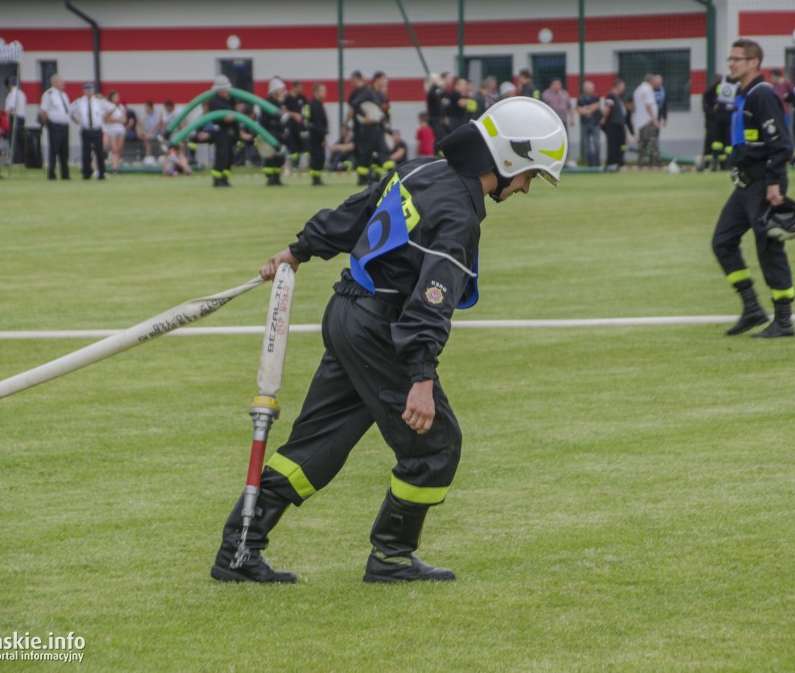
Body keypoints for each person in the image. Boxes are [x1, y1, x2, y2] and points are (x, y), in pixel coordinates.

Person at [210, 96, 569, 585]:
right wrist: (420, 378)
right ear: (509, 159)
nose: (527, 188)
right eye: (530, 175)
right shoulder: (459, 217)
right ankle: (392, 558)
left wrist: (300, 249)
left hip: (345, 314)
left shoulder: (420, 170)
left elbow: (356, 212)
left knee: (317, 447)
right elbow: (431, 302)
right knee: (435, 446)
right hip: (380, 329)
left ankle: (238, 549)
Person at [712, 38, 795, 339]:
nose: (731, 63)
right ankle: (751, 308)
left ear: (754, 63)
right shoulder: (741, 94)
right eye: (730, 58)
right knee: (722, 241)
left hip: (764, 184)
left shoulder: (762, 95)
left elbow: (783, 145)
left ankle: (784, 320)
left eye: (738, 58)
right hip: (745, 185)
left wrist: (774, 182)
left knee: (769, 249)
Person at [351, 71, 391, 185]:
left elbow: (384, 112)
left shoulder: (381, 95)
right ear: (376, 80)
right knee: (366, 153)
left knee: (383, 151)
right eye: (383, 79)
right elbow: (355, 105)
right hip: (368, 129)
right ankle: (362, 178)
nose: (385, 82)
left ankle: (380, 176)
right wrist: (364, 115)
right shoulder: (367, 92)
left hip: (379, 128)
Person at [71, 81, 112, 180]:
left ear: (93, 91)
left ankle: (101, 173)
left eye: (90, 90)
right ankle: (86, 173)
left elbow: (111, 108)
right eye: (87, 90)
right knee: (86, 152)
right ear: (84, 91)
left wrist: (104, 117)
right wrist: (77, 121)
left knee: (99, 152)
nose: (89, 92)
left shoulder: (99, 101)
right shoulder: (79, 102)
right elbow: (71, 112)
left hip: (97, 129)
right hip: (86, 129)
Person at [38, 74, 72, 180]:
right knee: (54, 150)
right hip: (54, 125)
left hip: (64, 125)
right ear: (54, 82)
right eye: (61, 81)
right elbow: (43, 111)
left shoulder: (64, 95)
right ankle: (51, 173)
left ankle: (65, 174)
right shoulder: (49, 94)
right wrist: (48, 124)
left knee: (64, 151)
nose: (63, 84)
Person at [260, 77, 288, 186]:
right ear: (275, 91)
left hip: (277, 133)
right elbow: (266, 121)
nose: (283, 93)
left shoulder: (278, 103)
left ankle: (277, 178)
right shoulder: (268, 103)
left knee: (278, 157)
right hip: (270, 134)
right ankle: (270, 178)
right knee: (270, 158)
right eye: (281, 90)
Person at [710, 74, 741, 170]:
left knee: (721, 139)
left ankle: (722, 162)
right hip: (726, 113)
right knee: (726, 139)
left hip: (724, 113)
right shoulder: (737, 86)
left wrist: (714, 104)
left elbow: (708, 95)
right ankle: (724, 163)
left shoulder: (721, 83)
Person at [303, 82, 329, 186]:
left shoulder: (317, 104)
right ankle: (315, 179)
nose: (324, 93)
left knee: (320, 157)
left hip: (318, 135)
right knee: (317, 157)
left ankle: (317, 178)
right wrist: (322, 137)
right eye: (323, 91)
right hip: (315, 137)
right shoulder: (313, 105)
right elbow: (316, 123)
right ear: (316, 92)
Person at [632, 74, 660, 167]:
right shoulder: (648, 89)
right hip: (648, 120)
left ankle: (641, 163)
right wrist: (654, 120)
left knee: (642, 144)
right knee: (652, 143)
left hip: (640, 121)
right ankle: (655, 163)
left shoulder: (638, 90)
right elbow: (648, 105)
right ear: (651, 81)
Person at [601, 78, 628, 171]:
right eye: (623, 86)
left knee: (621, 144)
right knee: (613, 144)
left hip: (619, 124)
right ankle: (611, 163)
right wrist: (604, 118)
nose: (624, 88)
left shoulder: (618, 97)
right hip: (613, 124)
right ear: (619, 86)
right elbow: (607, 108)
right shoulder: (611, 96)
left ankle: (619, 161)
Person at [576, 80, 602, 167]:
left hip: (595, 123)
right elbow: (579, 110)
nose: (591, 90)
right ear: (585, 89)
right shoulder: (581, 98)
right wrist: (589, 109)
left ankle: (597, 163)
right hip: (585, 124)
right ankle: (589, 164)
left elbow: (596, 106)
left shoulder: (596, 97)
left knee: (596, 143)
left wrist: (586, 108)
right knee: (587, 145)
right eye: (588, 88)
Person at [283, 80, 308, 173]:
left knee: (302, 144)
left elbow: (306, 108)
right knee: (292, 146)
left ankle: (302, 163)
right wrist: (294, 115)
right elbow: (284, 110)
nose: (301, 90)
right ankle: (294, 164)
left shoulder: (302, 97)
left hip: (300, 126)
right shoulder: (287, 98)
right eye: (299, 88)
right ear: (294, 87)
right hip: (290, 125)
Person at [4, 77, 27, 165]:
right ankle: (21, 158)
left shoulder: (13, 93)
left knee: (13, 139)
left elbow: (11, 107)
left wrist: (6, 118)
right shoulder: (22, 93)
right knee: (20, 139)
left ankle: (16, 159)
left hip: (15, 118)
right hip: (21, 118)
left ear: (10, 84)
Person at [103, 90, 128, 173]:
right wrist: (117, 120)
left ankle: (116, 164)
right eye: (115, 97)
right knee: (114, 149)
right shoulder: (108, 107)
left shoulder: (121, 107)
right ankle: (114, 168)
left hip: (120, 129)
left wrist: (115, 120)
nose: (117, 98)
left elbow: (124, 120)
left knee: (119, 148)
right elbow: (107, 119)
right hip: (111, 130)